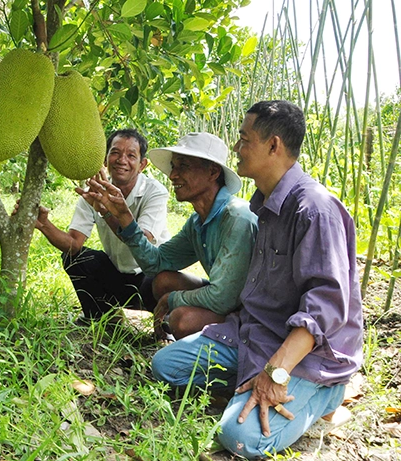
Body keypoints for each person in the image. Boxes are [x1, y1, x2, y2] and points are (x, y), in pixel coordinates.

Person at [150, 101, 363, 459]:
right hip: (258, 334)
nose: (236, 149)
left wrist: (275, 374)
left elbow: (324, 308)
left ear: (273, 145)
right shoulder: (262, 206)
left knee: (239, 437)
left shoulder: (314, 208)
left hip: (307, 355)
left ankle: (325, 393)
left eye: (244, 139)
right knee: (165, 367)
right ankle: (256, 386)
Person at [87, 132, 257, 340]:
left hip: (252, 310)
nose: (173, 175)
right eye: (174, 167)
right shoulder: (197, 223)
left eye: (183, 166)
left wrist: (171, 299)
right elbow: (155, 263)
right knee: (163, 281)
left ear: (212, 173)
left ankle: (237, 343)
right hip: (228, 298)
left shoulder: (237, 218)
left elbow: (223, 298)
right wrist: (124, 219)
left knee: (181, 320)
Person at [25, 128, 170, 322]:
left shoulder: (155, 192)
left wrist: (106, 212)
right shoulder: (93, 192)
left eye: (131, 155)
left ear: (142, 164)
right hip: (116, 277)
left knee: (165, 280)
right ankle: (103, 316)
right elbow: (74, 244)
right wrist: (44, 225)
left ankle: (164, 320)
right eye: (115, 153)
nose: (121, 160)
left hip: (149, 279)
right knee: (75, 258)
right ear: (105, 159)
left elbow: (143, 240)